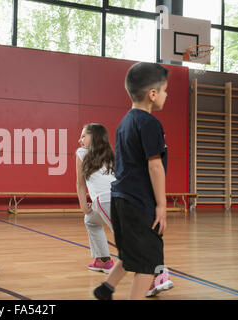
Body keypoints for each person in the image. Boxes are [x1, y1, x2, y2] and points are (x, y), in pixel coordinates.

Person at [93, 62, 173, 300]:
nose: (167, 95)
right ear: (153, 94)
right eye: (165, 90)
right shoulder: (149, 123)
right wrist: (161, 205)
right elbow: (155, 165)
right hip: (139, 203)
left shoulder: (126, 122)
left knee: (130, 254)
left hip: (121, 200)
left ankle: (105, 289)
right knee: (148, 264)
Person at [76, 123, 115, 274]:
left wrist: (83, 206)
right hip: (111, 199)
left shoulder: (81, 152)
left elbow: (80, 183)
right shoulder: (110, 154)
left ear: (95, 137)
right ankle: (103, 260)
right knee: (91, 221)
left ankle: (154, 273)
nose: (80, 140)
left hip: (105, 200)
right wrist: (86, 209)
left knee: (125, 239)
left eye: (84, 136)